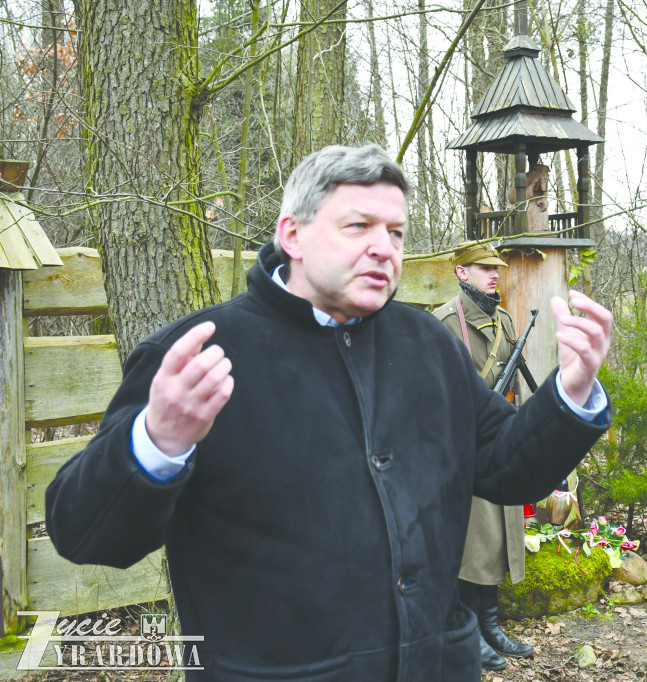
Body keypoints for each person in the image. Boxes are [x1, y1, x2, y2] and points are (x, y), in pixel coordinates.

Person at [45, 144, 613, 681]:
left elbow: (506, 465)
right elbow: (84, 534)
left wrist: (571, 390)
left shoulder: (428, 344)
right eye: (358, 226)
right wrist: (157, 442)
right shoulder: (199, 353)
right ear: (292, 234)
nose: (383, 247)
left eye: (396, 232)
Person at [433, 241, 531, 672]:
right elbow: (433, 394)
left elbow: (517, 383)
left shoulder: (505, 319)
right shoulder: (444, 323)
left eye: (497, 267)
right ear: (461, 273)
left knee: (498, 536)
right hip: (463, 446)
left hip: (501, 438)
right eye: (483, 267)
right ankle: (467, 630)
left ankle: (490, 625)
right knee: (472, 539)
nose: (495, 273)